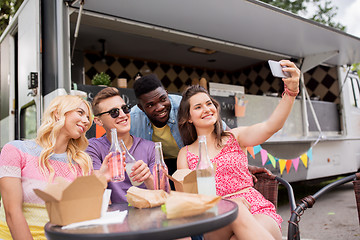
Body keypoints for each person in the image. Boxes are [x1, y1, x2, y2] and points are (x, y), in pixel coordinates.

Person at [177, 60, 300, 240]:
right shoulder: (185, 154)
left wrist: (291, 92)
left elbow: (271, 126)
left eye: (209, 103)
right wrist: (228, 204)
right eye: (198, 107)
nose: (207, 109)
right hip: (215, 218)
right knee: (237, 209)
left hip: (257, 210)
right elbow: (186, 203)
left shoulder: (235, 137)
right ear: (188, 118)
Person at [0, 95, 112, 240]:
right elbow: (12, 212)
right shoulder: (15, 150)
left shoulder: (82, 162)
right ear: (57, 113)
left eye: (88, 117)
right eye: (80, 113)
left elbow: (85, 213)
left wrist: (101, 180)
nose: (86, 121)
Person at [86, 87, 155, 203]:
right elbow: (93, 197)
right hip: (113, 217)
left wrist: (148, 178)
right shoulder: (93, 147)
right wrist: (102, 178)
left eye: (125, 108)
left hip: (146, 215)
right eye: (114, 112)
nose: (123, 115)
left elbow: (163, 193)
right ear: (98, 121)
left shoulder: (150, 147)